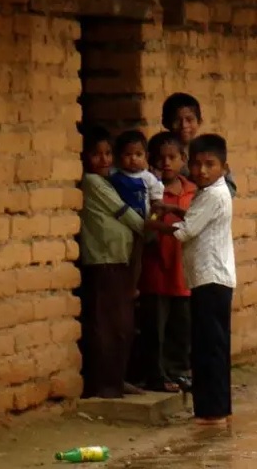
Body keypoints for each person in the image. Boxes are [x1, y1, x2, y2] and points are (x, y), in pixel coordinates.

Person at [150, 134, 236, 426]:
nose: (201, 170)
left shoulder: (211, 194)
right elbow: (196, 218)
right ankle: (219, 408)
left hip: (209, 280)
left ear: (224, 167)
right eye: (197, 164)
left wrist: (150, 225)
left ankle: (211, 412)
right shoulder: (212, 191)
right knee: (214, 346)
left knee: (207, 348)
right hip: (215, 278)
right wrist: (175, 210)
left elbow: (185, 232)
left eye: (209, 165)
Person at [76, 124, 149, 399]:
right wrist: (149, 228)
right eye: (96, 154)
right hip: (104, 261)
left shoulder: (111, 180)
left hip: (120, 260)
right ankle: (104, 384)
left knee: (123, 326)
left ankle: (117, 379)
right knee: (106, 325)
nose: (104, 160)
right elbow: (126, 214)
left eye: (108, 153)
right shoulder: (93, 183)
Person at [134, 131, 196, 393]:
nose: (167, 163)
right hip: (156, 269)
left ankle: (179, 372)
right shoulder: (149, 192)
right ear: (151, 161)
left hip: (184, 271)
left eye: (173, 157)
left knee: (181, 327)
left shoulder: (193, 191)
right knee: (154, 328)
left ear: (183, 159)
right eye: (161, 159)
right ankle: (156, 376)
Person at [161, 93, 237, 197]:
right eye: (177, 120)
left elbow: (230, 188)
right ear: (165, 123)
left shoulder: (208, 149)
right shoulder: (160, 152)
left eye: (189, 120)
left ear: (199, 121)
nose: (184, 125)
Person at [107, 129, 164, 219]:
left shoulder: (149, 178)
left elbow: (157, 201)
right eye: (128, 154)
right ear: (119, 156)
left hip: (142, 223)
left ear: (146, 156)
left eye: (138, 154)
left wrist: (154, 217)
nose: (133, 158)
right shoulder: (113, 174)